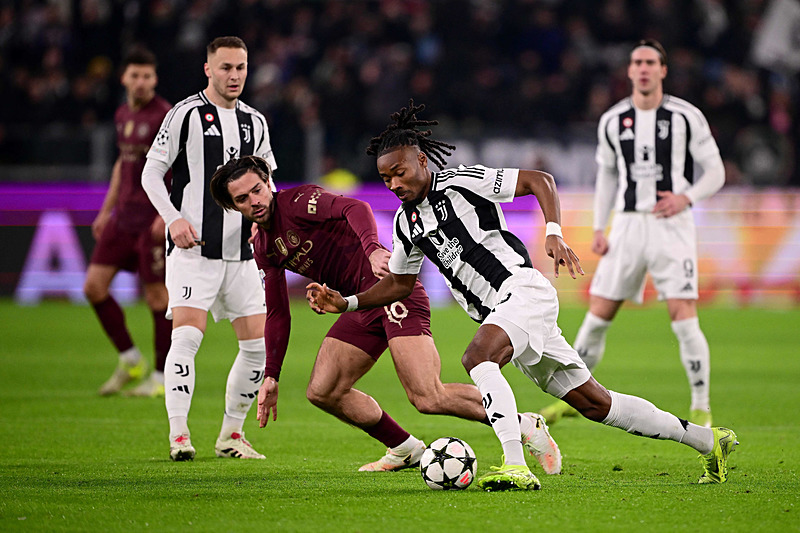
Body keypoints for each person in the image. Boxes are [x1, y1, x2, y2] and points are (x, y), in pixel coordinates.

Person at [307, 100, 738, 492]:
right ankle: (708, 441)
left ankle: (515, 465)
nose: (394, 183)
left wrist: (553, 233)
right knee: (595, 403)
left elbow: (539, 180)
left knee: (477, 358)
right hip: (506, 312)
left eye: (399, 172)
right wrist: (346, 303)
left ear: (421, 159)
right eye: (385, 179)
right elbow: (399, 283)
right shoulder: (405, 224)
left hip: (521, 290)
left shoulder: (462, 181)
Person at [208, 155, 561, 475]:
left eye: (257, 190)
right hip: (359, 303)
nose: (254, 201)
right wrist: (271, 375)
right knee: (323, 390)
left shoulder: (298, 202)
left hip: (391, 292)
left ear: (268, 183)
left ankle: (524, 425)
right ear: (233, 207)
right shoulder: (264, 245)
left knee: (427, 396)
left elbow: (356, 208)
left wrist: (373, 247)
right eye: (242, 199)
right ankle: (405, 448)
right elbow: (278, 312)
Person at [540, 40, 726, 428]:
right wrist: (598, 226)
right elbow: (608, 175)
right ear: (629, 71)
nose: (643, 68)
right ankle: (572, 397)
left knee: (683, 315)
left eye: (650, 62)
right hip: (625, 224)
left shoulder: (686, 116)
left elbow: (716, 172)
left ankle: (701, 406)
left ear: (663, 70)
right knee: (598, 314)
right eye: (637, 62)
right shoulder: (612, 120)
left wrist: (685, 197)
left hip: (670, 226)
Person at [142, 36, 276, 461]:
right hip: (194, 251)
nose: (234, 76)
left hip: (242, 256)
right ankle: (179, 436)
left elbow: (269, 183)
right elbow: (151, 173)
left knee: (258, 347)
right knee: (186, 339)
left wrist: (267, 226)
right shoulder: (184, 115)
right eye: (225, 68)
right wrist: (172, 218)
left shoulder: (256, 122)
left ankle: (230, 436)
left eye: (240, 68)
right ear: (208, 69)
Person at [84, 46, 172, 398]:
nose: (140, 82)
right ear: (124, 78)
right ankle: (130, 358)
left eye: (147, 76)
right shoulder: (122, 114)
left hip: (151, 220)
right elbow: (123, 165)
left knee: (156, 297)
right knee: (93, 287)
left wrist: (168, 213)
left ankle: (163, 378)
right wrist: (106, 210)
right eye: (135, 75)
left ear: (155, 79)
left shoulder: (164, 116)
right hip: (124, 218)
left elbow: (178, 169)